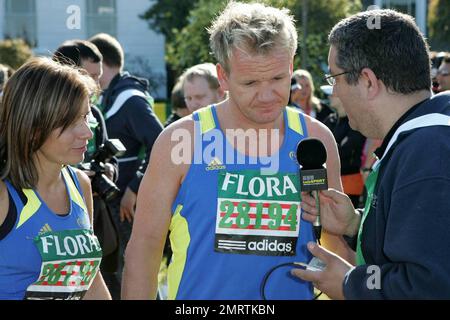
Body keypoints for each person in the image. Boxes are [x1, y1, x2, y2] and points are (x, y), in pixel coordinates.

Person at [122, 1, 351, 300]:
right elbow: (144, 251)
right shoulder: (181, 141)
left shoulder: (314, 140)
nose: (267, 95)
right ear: (223, 77)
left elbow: (334, 247)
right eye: (251, 82)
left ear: (291, 66)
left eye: (278, 79)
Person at [292, 9, 450, 299]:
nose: (334, 92)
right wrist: (356, 224)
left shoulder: (427, 152)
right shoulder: (428, 136)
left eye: (334, 78)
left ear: (367, 80)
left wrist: (349, 282)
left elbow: (429, 286)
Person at [0, 57, 111, 300]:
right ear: (32, 128)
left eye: (85, 117)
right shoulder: (4, 196)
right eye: (71, 122)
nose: (87, 132)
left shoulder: (80, 185)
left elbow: (89, 280)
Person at [89, 33, 164, 290]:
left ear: (101, 62)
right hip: (110, 206)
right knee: (112, 278)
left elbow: (162, 142)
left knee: (133, 278)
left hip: (126, 206)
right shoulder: (108, 96)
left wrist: (135, 186)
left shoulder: (130, 98)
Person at [53, 39, 121, 299]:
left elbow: (88, 276)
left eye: (98, 77)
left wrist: (107, 170)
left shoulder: (96, 112)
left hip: (96, 207)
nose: (97, 86)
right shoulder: (8, 194)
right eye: (89, 76)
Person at [322, 85, 366, 208]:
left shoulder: (355, 121)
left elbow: (345, 151)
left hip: (350, 181)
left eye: (333, 93)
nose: (329, 96)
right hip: (328, 181)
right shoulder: (330, 119)